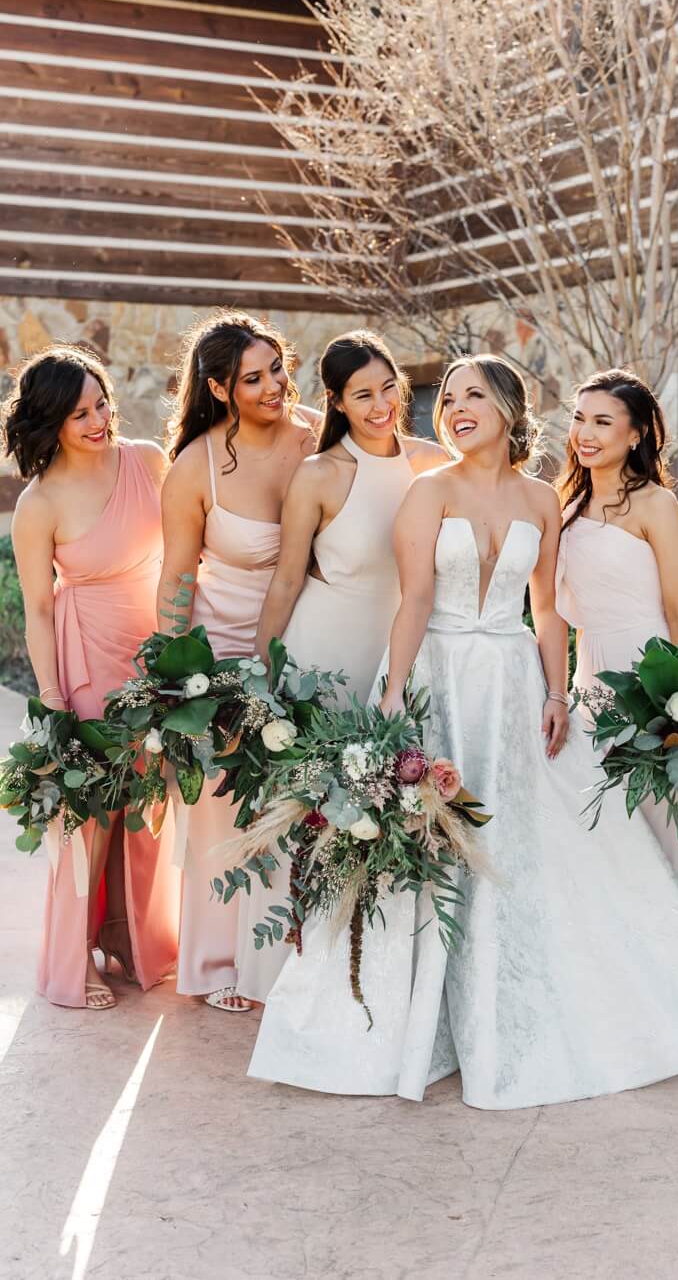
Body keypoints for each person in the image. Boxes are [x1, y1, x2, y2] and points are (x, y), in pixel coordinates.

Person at [253, 355, 678, 1107]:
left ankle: (531, 1001)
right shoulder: (429, 491)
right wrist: (393, 692)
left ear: (510, 407)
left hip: (515, 681)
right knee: (428, 842)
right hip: (441, 674)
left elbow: (546, 609)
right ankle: (415, 1020)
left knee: (519, 839)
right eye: (447, 398)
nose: (453, 409)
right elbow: (417, 598)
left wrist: (557, 692)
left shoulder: (541, 500)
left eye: (472, 397)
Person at [236, 330, 448, 1019]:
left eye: (391, 387)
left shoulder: (433, 464)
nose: (384, 403)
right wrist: (262, 680)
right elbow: (287, 577)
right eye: (364, 394)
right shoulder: (320, 474)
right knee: (307, 811)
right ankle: (282, 971)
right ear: (336, 401)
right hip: (322, 655)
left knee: (381, 816)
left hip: (397, 658)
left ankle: (364, 975)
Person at [2, 345, 181, 1009]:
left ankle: (131, 939)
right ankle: (73, 957)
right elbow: (39, 610)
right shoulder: (38, 503)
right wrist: (52, 700)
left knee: (147, 805)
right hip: (85, 660)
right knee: (90, 815)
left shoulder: (147, 461)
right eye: (81, 413)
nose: (100, 419)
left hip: (151, 651)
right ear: (49, 421)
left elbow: (183, 549)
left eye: (102, 402)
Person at [157, 311, 319, 1012]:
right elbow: (175, 577)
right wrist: (170, 682)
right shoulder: (196, 466)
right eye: (253, 378)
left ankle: (288, 954)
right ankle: (220, 961)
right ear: (220, 388)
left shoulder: (315, 435)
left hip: (310, 640)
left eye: (277, 368)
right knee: (225, 809)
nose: (273, 386)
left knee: (295, 802)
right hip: (223, 647)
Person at [555, 369, 678, 901]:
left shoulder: (655, 504)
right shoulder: (566, 506)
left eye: (602, 422)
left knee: (659, 834)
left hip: (651, 676)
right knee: (598, 839)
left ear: (636, 433)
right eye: (578, 419)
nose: (585, 434)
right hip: (590, 680)